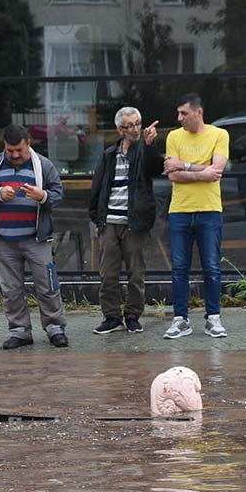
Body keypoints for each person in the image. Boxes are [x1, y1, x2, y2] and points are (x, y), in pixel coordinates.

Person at [0, 124, 69, 349]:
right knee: (11, 290)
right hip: (4, 239)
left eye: (19, 150)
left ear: (28, 144)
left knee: (47, 285)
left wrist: (42, 196)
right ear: (4, 146)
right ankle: (20, 331)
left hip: (37, 238)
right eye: (10, 150)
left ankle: (55, 328)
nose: (15, 155)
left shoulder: (44, 165)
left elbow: (58, 195)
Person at [88, 107, 162, 334]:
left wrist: (150, 145)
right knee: (107, 274)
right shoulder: (109, 154)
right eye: (130, 125)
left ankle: (132, 316)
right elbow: (98, 188)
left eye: (138, 123)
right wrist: (98, 220)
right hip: (109, 222)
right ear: (120, 129)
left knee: (136, 274)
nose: (136, 129)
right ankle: (111, 317)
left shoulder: (143, 151)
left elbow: (155, 169)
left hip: (135, 223)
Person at [162, 92, 230, 340]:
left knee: (212, 267)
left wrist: (185, 165)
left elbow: (217, 170)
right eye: (178, 113)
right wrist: (202, 172)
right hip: (179, 210)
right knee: (179, 269)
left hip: (209, 210)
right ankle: (180, 319)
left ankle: (213, 318)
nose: (179, 118)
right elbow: (172, 175)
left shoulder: (219, 134)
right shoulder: (173, 136)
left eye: (184, 113)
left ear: (198, 112)